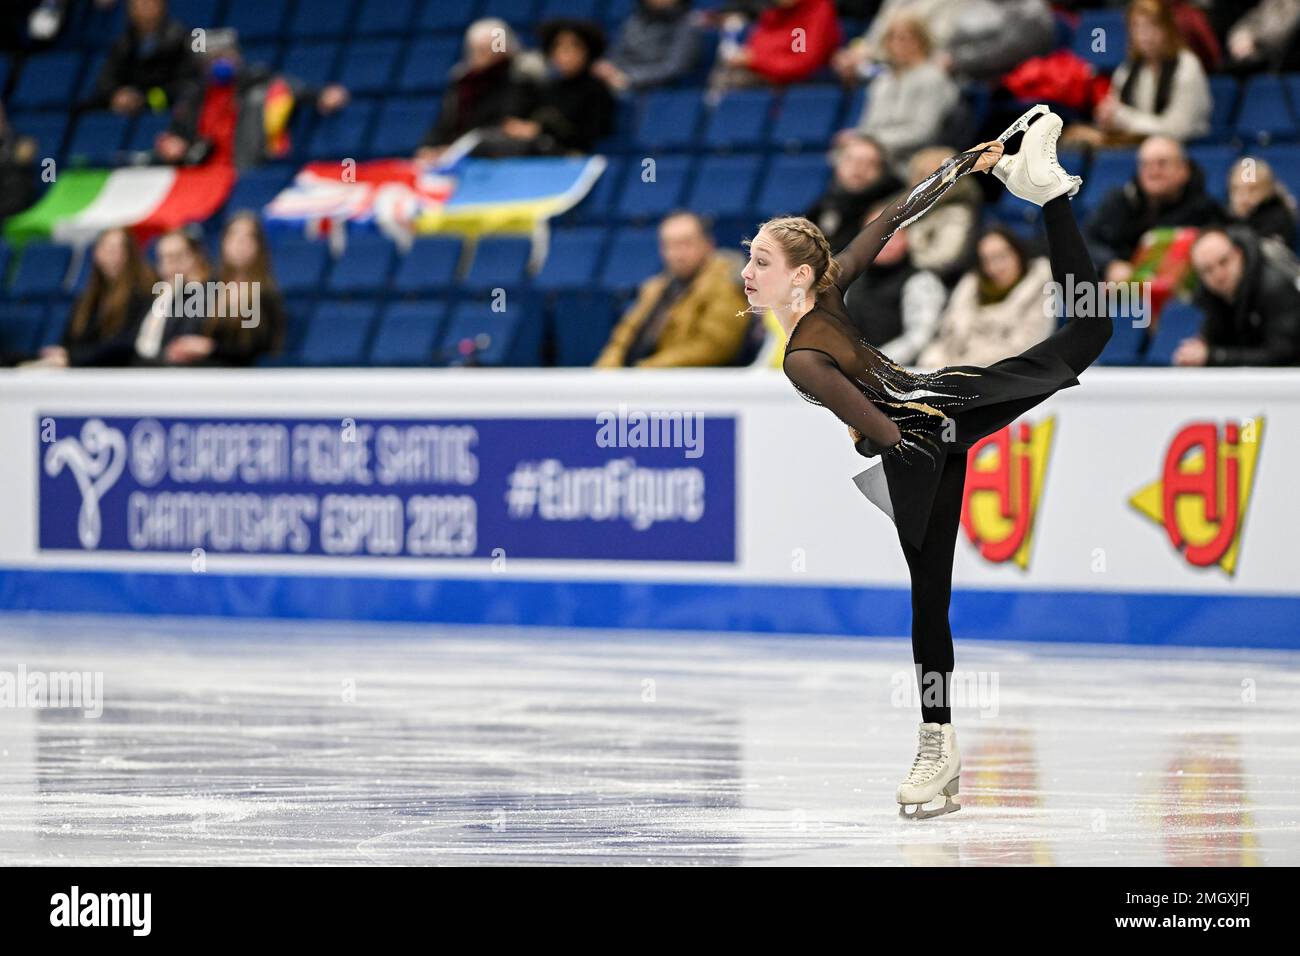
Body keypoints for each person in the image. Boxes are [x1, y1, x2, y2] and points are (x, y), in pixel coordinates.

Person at [740, 105, 1111, 818]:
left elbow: (881, 431)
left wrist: (872, 436)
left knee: (928, 598)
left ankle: (1053, 194)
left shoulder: (802, 356)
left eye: (762, 260)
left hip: (926, 428)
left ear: (803, 275)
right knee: (928, 600)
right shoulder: (829, 290)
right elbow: (890, 218)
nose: (749, 271)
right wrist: (958, 166)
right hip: (932, 415)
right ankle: (936, 745)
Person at [595, 211, 749, 367]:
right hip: (640, 380)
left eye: (686, 243)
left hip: (686, 383)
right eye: (670, 245)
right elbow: (622, 339)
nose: (677, 254)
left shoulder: (726, 282)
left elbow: (715, 346)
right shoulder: (655, 287)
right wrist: (607, 371)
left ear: (708, 244)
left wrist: (645, 370)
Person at [916, 225, 1054, 368]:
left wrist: (961, 369)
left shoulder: (1039, 287)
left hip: (1003, 377)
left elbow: (1024, 348)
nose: (995, 267)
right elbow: (943, 339)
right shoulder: (970, 289)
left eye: (1001, 256)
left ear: (1018, 253)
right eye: (986, 260)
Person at [163, 212, 285, 366]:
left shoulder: (266, 293)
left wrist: (210, 348)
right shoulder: (211, 287)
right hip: (205, 372)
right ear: (223, 242)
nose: (240, 243)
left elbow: (260, 348)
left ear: (259, 246)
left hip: (243, 376)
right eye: (233, 236)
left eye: (248, 237)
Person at [1176, 227, 1300, 367]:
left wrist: (1214, 356)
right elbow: (1211, 341)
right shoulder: (1210, 298)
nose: (1218, 274)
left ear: (1238, 254)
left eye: (1224, 262)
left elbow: (1282, 354)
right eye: (1207, 270)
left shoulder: (1275, 289)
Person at [35, 227, 157, 367]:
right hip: (85, 372)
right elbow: (71, 339)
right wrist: (63, 353)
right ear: (96, 253)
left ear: (131, 254)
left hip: (119, 373)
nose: (112, 256)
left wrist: (73, 358)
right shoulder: (86, 299)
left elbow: (127, 344)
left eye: (119, 250)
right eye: (106, 249)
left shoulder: (142, 294)